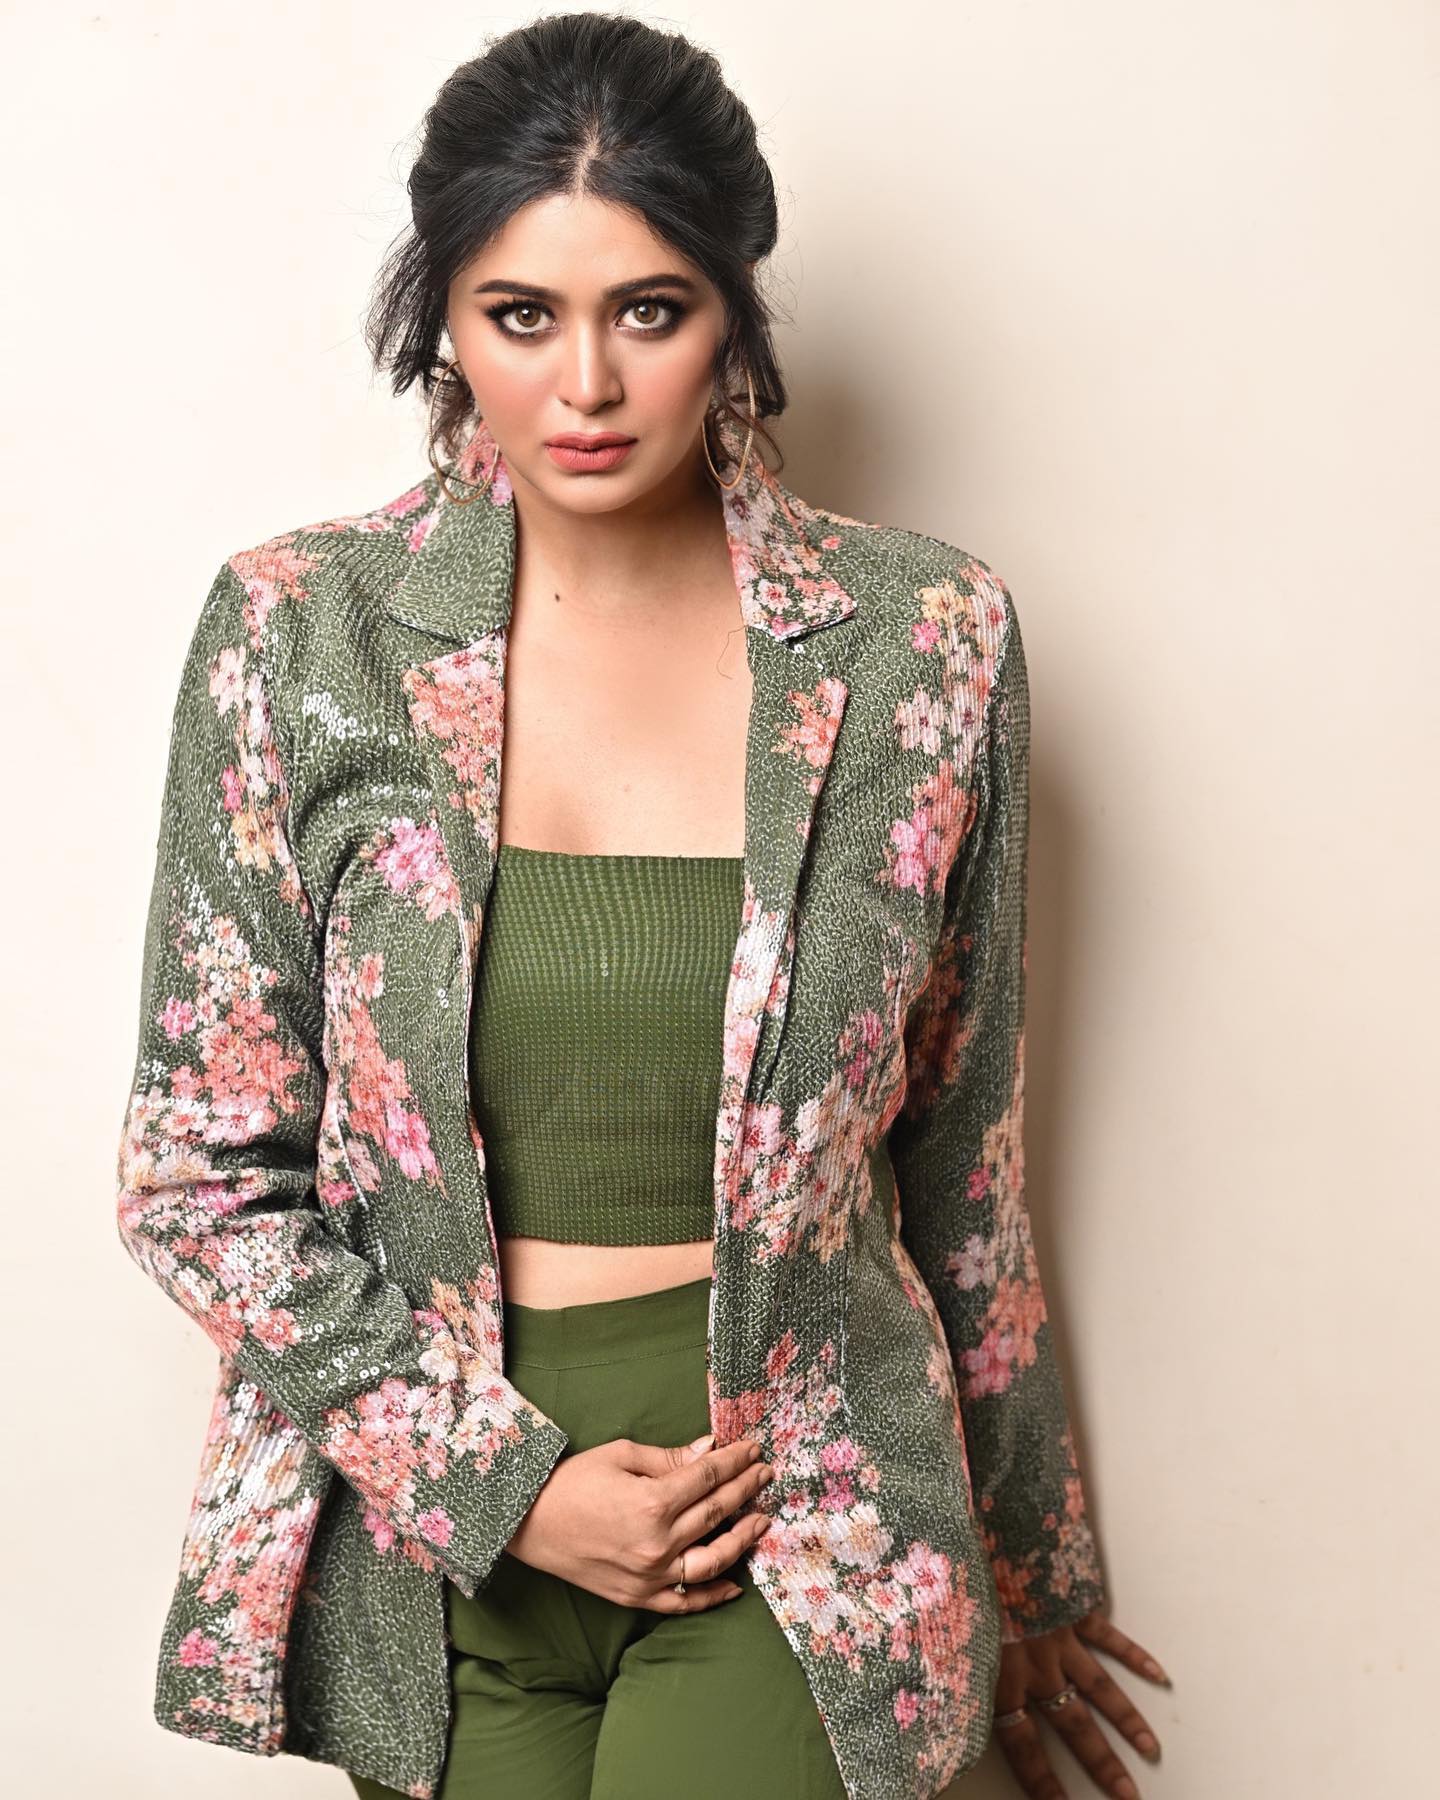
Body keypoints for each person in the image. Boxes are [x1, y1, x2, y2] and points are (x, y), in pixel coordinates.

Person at [115, 12, 1170, 1800]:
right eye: (522, 315)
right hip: (436, 1531)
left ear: (733, 315)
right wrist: (502, 1487)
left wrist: (1031, 1566)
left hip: (807, 1516)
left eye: (650, 311)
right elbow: (197, 1176)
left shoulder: (924, 644)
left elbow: (964, 1158)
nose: (586, 384)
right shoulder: (302, 635)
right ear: (445, 320)